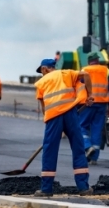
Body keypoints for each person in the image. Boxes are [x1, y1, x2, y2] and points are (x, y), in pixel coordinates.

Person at [33, 58, 95, 197]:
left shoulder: (41, 83)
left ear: (44, 69)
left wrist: (51, 127)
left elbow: (44, 108)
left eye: (41, 71)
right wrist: (90, 95)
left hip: (53, 117)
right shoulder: (66, 73)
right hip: (70, 114)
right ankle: (83, 188)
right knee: (78, 148)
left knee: (50, 150)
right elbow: (86, 75)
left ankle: (46, 189)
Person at [79, 52, 109, 165]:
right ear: (98, 60)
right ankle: (94, 158)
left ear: (89, 61)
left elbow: (79, 87)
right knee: (97, 129)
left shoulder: (84, 70)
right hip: (102, 104)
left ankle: (87, 146)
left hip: (87, 104)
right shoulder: (105, 70)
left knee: (81, 126)